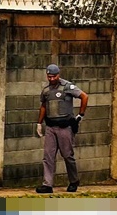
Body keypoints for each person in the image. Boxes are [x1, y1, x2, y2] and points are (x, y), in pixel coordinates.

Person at [35, 63, 88, 193]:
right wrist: (39, 123)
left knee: (67, 155)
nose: (51, 79)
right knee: (48, 156)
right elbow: (43, 106)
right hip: (51, 127)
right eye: (49, 76)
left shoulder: (67, 86)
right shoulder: (46, 90)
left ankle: (73, 181)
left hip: (65, 127)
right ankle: (47, 185)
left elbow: (84, 96)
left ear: (58, 75)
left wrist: (80, 115)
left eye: (54, 76)